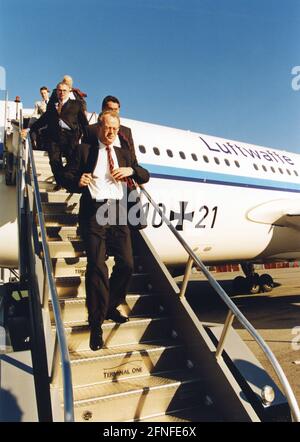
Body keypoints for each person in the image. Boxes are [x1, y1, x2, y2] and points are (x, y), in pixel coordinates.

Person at [63, 110, 150, 351]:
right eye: (106, 128)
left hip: (119, 213)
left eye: (114, 129)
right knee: (97, 267)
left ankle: (112, 304)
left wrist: (131, 171)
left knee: (128, 264)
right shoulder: (85, 150)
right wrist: (77, 181)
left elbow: (145, 174)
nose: (110, 133)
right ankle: (96, 324)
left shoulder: (123, 153)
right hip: (94, 213)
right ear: (99, 128)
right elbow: (66, 175)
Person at [30, 81, 88, 185]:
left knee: (72, 161)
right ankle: (61, 182)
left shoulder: (77, 105)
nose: (62, 93)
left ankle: (67, 181)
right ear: (56, 92)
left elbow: (84, 123)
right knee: (54, 162)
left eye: (64, 90)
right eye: (59, 90)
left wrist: (88, 137)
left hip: (70, 137)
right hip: (54, 138)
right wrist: (30, 129)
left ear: (69, 91)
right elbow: (44, 119)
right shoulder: (52, 105)